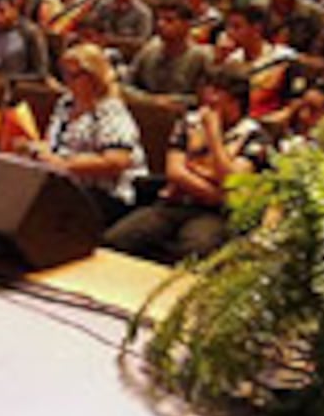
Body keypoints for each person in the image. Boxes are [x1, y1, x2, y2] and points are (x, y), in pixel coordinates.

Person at [103, 70, 268, 262]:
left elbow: (231, 180)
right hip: (175, 203)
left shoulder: (254, 137)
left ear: (235, 102)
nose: (207, 106)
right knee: (116, 240)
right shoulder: (189, 122)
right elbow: (175, 172)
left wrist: (213, 136)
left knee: (193, 251)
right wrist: (218, 195)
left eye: (215, 100)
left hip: (214, 215)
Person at [18, 44, 147, 222]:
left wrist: (65, 164)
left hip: (106, 194)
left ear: (94, 77)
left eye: (74, 76)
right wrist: (35, 149)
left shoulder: (109, 110)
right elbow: (58, 145)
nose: (67, 81)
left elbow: (117, 161)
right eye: (64, 74)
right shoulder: (66, 103)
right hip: (67, 185)